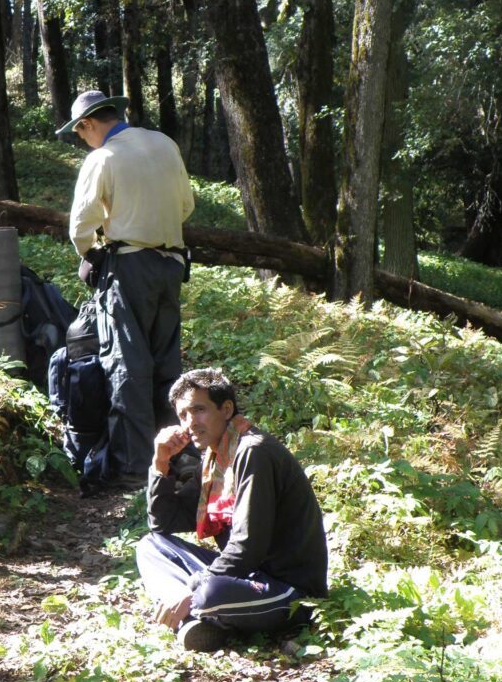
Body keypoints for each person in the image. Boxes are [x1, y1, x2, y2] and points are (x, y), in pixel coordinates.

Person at [135, 368, 328, 652]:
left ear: (226, 409)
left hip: (288, 592)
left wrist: (191, 589)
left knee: (208, 593)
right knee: (151, 546)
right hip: (246, 577)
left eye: (198, 410)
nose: (190, 423)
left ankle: (195, 616)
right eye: (183, 415)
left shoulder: (254, 452)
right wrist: (161, 462)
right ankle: (197, 621)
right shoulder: (216, 457)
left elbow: (248, 546)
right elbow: (164, 524)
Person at [59, 90, 195, 490]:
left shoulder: (102, 158)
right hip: (172, 265)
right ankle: (177, 454)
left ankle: (136, 467)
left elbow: (79, 228)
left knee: (127, 365)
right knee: (166, 363)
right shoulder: (165, 144)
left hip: (129, 267)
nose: (82, 140)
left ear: (88, 124)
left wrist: (93, 254)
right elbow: (185, 205)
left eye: (79, 133)